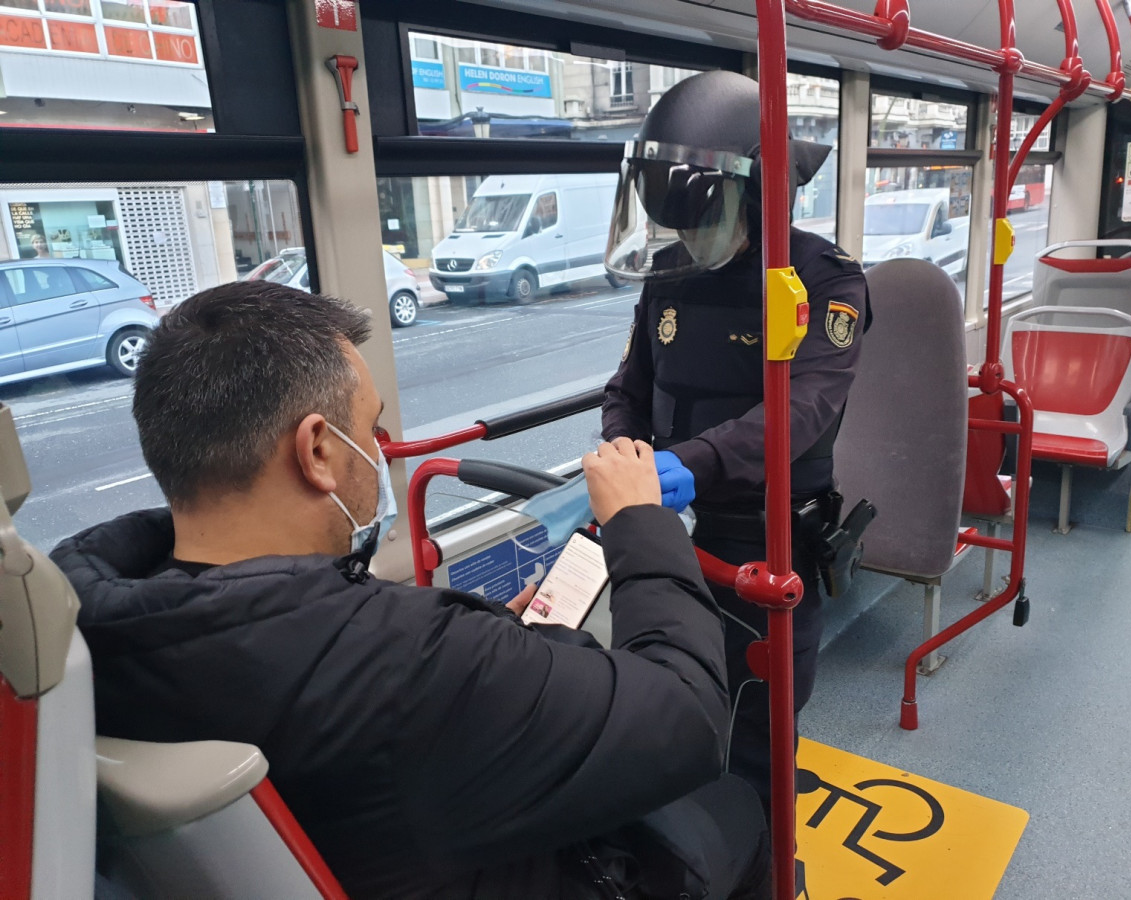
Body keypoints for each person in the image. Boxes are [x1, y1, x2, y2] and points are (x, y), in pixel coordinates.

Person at [51, 280, 769, 899]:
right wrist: (641, 523)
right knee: (736, 807)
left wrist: (491, 640)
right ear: (318, 450)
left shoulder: (88, 626)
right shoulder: (408, 658)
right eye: (371, 428)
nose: (381, 447)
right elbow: (690, 716)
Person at [601, 70, 872, 817]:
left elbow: (803, 410)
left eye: (702, 221)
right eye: (678, 227)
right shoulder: (670, 277)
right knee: (666, 692)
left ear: (758, 195)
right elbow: (627, 388)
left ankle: (761, 851)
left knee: (759, 719)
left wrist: (686, 466)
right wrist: (624, 458)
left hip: (768, 533)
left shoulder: (825, 281)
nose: (689, 241)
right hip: (668, 524)